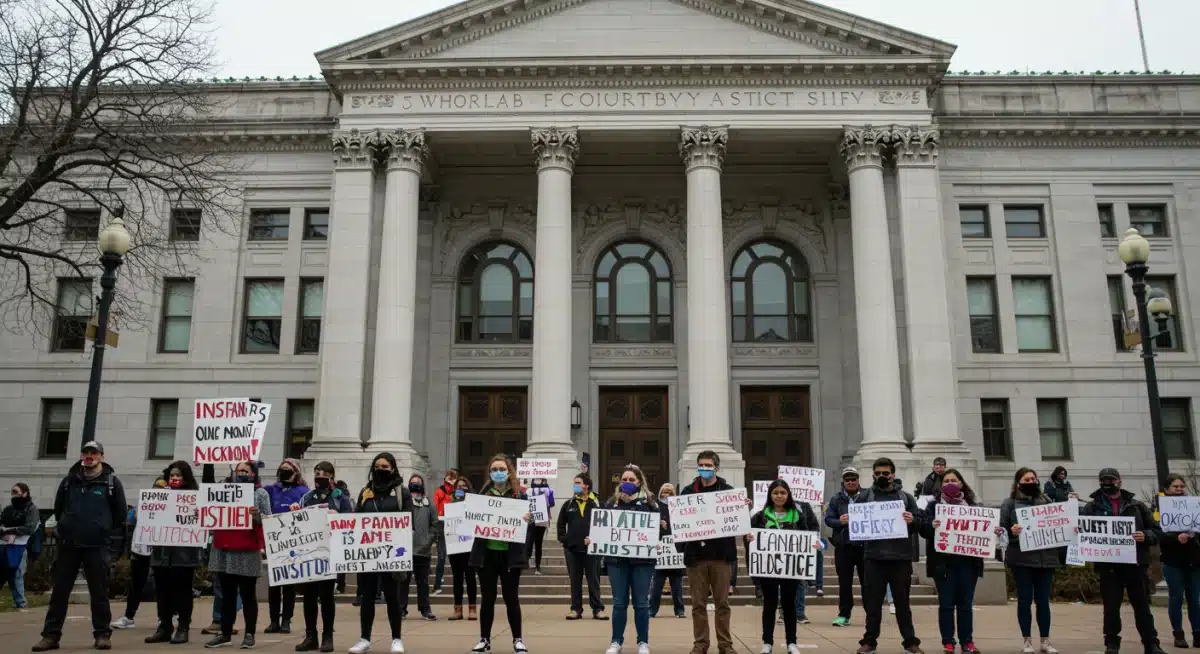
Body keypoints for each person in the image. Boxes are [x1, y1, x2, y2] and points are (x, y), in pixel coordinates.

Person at [33, 440, 128, 652]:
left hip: (97, 546)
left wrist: (102, 531)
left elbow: (120, 515)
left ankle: (102, 634)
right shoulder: (69, 482)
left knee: (99, 593)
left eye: (94, 453)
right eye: (86, 452)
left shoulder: (111, 483)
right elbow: (59, 510)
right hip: (69, 546)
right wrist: (67, 527)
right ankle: (50, 636)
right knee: (60, 593)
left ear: (101, 456)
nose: (89, 456)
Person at [1081, 468, 1164, 654]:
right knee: (1111, 607)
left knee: (1142, 605)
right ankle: (1112, 644)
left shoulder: (1137, 506)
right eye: (1103, 481)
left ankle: (1151, 643)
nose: (1107, 484)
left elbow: (1157, 531)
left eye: (1111, 480)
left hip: (1135, 563)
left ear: (1120, 482)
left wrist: (1146, 535)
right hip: (1108, 566)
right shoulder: (1091, 507)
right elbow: (1080, 530)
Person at [920, 469, 999, 654]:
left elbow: (985, 529)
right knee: (946, 604)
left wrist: (993, 531)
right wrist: (931, 526)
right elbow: (922, 529)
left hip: (968, 563)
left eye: (953, 480)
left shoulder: (973, 506)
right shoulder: (933, 506)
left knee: (965, 605)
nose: (950, 483)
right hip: (943, 564)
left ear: (961, 483)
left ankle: (967, 642)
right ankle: (948, 642)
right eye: (946, 480)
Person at [468, 454, 533, 654]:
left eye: (501, 469)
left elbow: (528, 527)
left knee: (511, 598)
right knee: (487, 598)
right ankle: (484, 639)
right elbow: (473, 522)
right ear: (490, 473)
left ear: (509, 471)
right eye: (494, 469)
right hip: (487, 554)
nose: (498, 473)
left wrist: (526, 519)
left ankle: (518, 639)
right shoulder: (483, 495)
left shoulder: (519, 496)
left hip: (510, 555)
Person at [749, 479, 824, 654]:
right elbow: (752, 542)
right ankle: (767, 643)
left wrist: (815, 544)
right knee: (769, 605)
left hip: (791, 569)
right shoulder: (760, 517)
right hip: (768, 569)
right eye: (775, 493)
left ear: (788, 495)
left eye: (783, 493)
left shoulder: (799, 517)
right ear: (770, 495)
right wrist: (749, 540)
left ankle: (792, 642)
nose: (779, 496)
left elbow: (808, 536)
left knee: (789, 605)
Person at [349, 452, 413, 654]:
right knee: (367, 596)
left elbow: (408, 521)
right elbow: (356, 519)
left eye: (385, 466)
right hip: (368, 553)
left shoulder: (402, 493)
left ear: (393, 469)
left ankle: (396, 639)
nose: (381, 470)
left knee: (392, 597)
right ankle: (364, 638)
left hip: (392, 554)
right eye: (377, 466)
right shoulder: (366, 492)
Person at [857, 457, 922, 654]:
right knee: (873, 604)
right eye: (878, 473)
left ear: (893, 474)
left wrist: (912, 520)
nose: (882, 476)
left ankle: (910, 642)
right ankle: (869, 642)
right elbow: (856, 523)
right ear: (873, 475)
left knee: (903, 604)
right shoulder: (865, 497)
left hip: (900, 559)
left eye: (885, 473)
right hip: (874, 559)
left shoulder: (906, 498)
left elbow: (919, 522)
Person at [204, 461, 271, 650]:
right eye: (239, 470)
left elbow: (268, 519)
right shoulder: (223, 491)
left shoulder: (260, 493)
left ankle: (249, 634)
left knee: (248, 595)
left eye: (246, 471)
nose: (241, 473)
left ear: (253, 474)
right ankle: (225, 633)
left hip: (246, 551)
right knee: (227, 595)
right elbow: (210, 511)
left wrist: (256, 515)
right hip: (224, 548)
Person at [679, 450, 740, 654]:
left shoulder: (727, 491)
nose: (704, 469)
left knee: (723, 603)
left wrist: (741, 511)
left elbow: (736, 522)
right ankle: (700, 644)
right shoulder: (687, 492)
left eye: (708, 466)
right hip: (696, 558)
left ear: (716, 468)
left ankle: (725, 645)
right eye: (701, 465)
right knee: (698, 605)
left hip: (720, 557)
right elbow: (680, 523)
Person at [1000, 468, 1063, 654]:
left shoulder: (1047, 502)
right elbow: (1001, 531)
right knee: (1024, 601)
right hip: (1021, 560)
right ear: (1018, 483)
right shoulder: (1009, 504)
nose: (1031, 481)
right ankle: (1027, 641)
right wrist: (1012, 532)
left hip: (1046, 559)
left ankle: (1045, 640)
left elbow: (1058, 524)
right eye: (1026, 479)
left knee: (1043, 601)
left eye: (1033, 478)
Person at [597, 464, 658, 654]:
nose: (628, 483)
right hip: (617, 561)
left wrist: (661, 531)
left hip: (643, 562)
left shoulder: (650, 503)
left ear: (639, 482)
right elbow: (602, 529)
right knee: (619, 603)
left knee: (641, 603)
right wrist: (594, 539)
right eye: (624, 480)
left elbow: (659, 530)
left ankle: (643, 642)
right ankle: (616, 641)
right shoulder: (611, 503)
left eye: (632, 480)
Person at [295, 461, 354, 652]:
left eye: (323, 473)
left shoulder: (340, 498)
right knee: (309, 596)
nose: (319, 475)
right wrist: (295, 514)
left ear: (331, 477)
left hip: (329, 554)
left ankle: (327, 636)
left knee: (326, 596)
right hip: (309, 554)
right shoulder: (307, 497)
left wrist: (336, 516)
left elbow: (349, 522)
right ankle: (310, 635)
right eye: (316, 472)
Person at [144, 461, 204, 645]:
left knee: (182, 592)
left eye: (178, 475)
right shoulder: (160, 495)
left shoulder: (194, 496)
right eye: (172, 476)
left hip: (184, 555)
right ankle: (164, 626)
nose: (175, 478)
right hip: (162, 554)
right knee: (162, 592)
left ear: (185, 478)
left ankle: (183, 627)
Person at [265, 458, 309, 634]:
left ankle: (286, 620)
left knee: (289, 584)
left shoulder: (303, 492)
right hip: (274, 541)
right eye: (281, 468)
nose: (283, 471)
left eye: (287, 469)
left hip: (293, 542)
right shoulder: (270, 490)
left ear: (296, 472)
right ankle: (274, 620)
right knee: (274, 584)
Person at [558, 472, 606, 620]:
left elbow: (605, 525)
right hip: (572, 549)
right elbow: (561, 524)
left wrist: (596, 539)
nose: (575, 486)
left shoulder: (597, 503)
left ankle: (597, 609)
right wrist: (565, 540)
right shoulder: (568, 504)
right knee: (575, 580)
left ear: (586, 485)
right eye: (575, 483)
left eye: (578, 483)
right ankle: (575, 609)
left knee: (594, 580)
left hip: (592, 549)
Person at [1159, 474, 1200, 648]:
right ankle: (1178, 634)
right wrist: (1176, 537)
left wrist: (1191, 535)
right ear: (1167, 489)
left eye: (1182, 487)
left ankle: (1198, 633)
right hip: (1172, 560)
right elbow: (1159, 533)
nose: (1179, 490)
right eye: (1175, 487)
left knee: (1195, 599)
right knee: (1176, 597)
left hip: (1193, 559)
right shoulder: (1160, 508)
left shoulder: (1193, 505)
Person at [826, 467, 864, 627]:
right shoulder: (836, 499)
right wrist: (839, 521)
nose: (850, 482)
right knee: (844, 583)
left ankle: (871, 613)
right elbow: (828, 519)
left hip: (863, 546)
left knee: (868, 582)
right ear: (843, 481)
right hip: (844, 546)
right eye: (847, 479)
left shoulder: (867, 496)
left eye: (853, 479)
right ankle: (844, 614)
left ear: (858, 480)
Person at [400, 473, 439, 621]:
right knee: (403, 581)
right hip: (404, 550)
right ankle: (401, 609)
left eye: (418, 482)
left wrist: (427, 542)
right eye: (413, 482)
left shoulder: (429, 504)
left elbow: (435, 525)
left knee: (423, 582)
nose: (416, 484)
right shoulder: (403, 503)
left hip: (423, 551)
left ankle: (425, 609)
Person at [1, 482, 39, 610]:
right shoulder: (8, 509)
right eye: (12, 492)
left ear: (25, 493)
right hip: (4, 545)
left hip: (20, 546)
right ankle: (19, 603)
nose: (13, 495)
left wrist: (10, 531)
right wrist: (4, 532)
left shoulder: (31, 509)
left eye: (16, 492)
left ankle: (20, 604)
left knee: (16, 574)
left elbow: (30, 528)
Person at [650, 483, 685, 619]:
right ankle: (652, 610)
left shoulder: (679, 508)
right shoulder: (655, 507)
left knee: (677, 585)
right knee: (657, 584)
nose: (667, 494)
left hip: (675, 550)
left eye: (670, 492)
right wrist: (659, 525)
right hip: (661, 550)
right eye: (665, 492)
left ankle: (679, 610)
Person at [447, 477, 478, 621]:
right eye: (459, 486)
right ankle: (457, 609)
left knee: (470, 577)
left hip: (470, 545)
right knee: (457, 578)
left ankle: (472, 608)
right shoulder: (450, 502)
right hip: (455, 545)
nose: (461, 488)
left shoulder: (473, 503)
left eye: (464, 486)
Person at [433, 469, 459, 595]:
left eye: (453, 477)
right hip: (442, 525)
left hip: (455, 525)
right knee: (441, 556)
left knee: (456, 557)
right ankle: (437, 584)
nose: (451, 479)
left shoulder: (457, 491)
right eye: (450, 476)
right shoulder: (439, 491)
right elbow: (435, 506)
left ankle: (458, 583)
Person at [527, 478, 555, 575]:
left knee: (535, 542)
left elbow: (552, 503)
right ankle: (531, 561)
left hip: (540, 518)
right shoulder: (531, 491)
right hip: (535, 518)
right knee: (532, 541)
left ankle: (536, 564)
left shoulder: (548, 491)